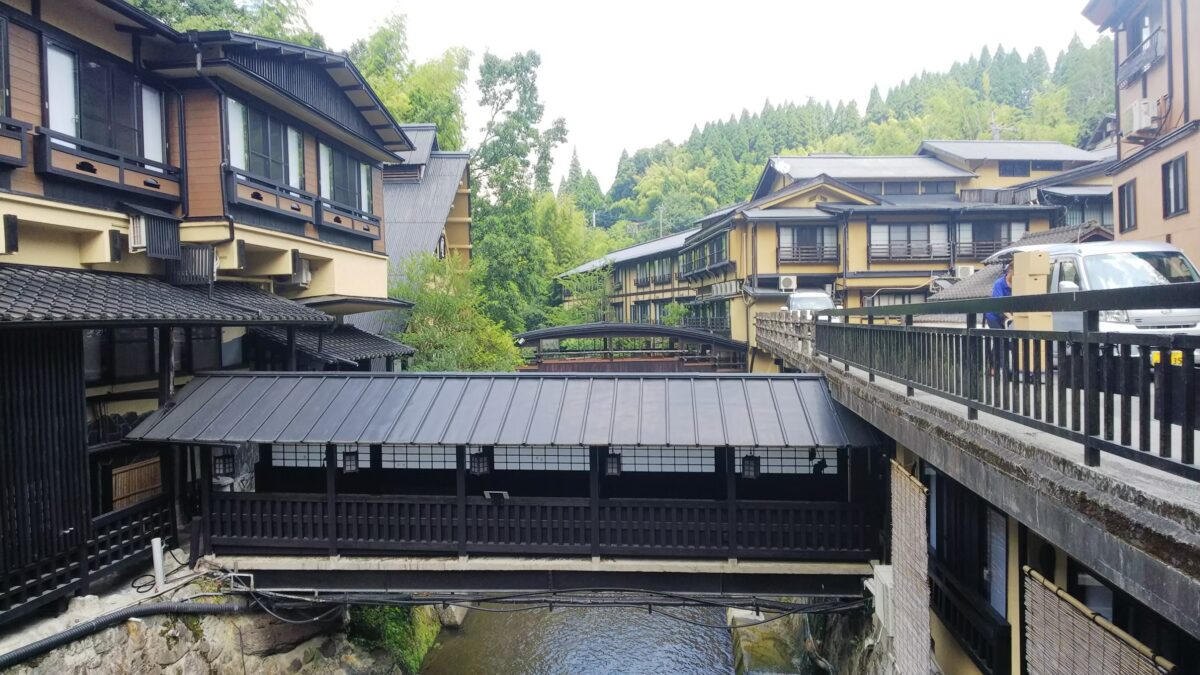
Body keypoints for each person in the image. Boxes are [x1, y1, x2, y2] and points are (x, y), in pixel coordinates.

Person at [985, 264, 1013, 376]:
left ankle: (992, 367)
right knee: (1001, 339)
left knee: (999, 342)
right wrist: (1009, 315)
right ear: (1010, 271)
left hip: (1007, 316)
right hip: (994, 315)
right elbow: (998, 305)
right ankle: (1001, 368)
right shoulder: (999, 284)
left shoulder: (1019, 282)